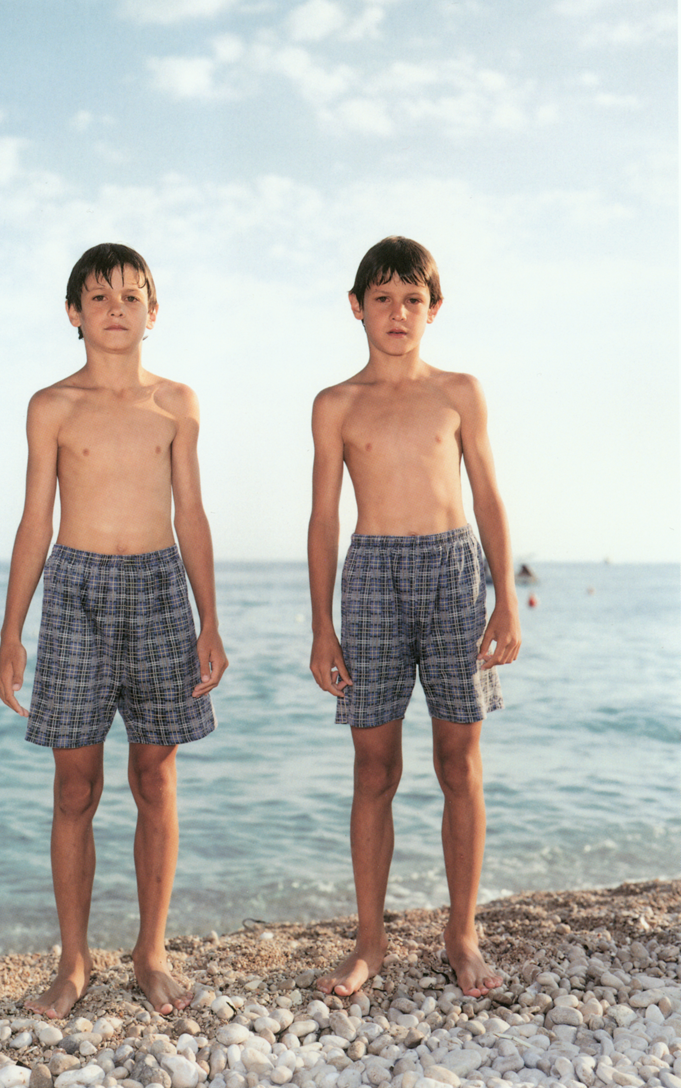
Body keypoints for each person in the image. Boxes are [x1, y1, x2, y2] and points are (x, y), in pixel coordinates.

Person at [0, 243, 227, 1019]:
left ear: (153, 312)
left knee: (155, 778)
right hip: (76, 592)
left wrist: (210, 619)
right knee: (75, 786)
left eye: (131, 296)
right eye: (99, 297)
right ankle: (74, 961)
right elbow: (35, 520)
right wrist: (12, 630)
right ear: (75, 312)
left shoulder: (177, 403)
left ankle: (150, 953)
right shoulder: (52, 406)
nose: (116, 309)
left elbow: (192, 513)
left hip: (160, 588)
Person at [308, 236, 520, 999]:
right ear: (357, 306)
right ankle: (370, 941)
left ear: (434, 309)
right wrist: (322, 626)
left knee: (459, 760)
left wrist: (506, 598)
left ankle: (462, 935)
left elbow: (487, 494)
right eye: (383, 298)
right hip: (371, 574)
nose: (398, 313)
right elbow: (324, 519)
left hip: (454, 571)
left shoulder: (459, 392)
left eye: (413, 300)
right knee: (374, 766)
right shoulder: (336, 404)